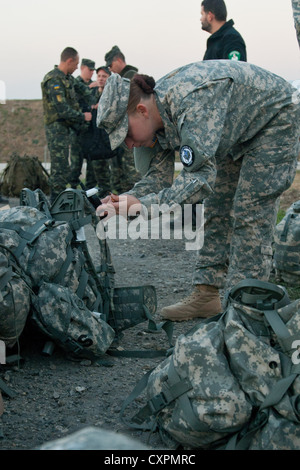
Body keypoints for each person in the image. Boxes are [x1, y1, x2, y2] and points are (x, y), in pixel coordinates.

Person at [96, 62, 300, 322]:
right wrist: (127, 200)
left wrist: (143, 207)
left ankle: (247, 311)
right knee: (217, 208)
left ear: (141, 110)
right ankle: (206, 295)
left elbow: (199, 179)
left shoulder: (192, 102)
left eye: (126, 133)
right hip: (235, 128)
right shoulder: (157, 119)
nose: (128, 144)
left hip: (275, 119)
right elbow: (158, 180)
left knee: (250, 213)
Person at [41, 47, 92, 202]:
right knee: (60, 168)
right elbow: (62, 109)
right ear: (69, 61)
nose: (77, 67)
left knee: (65, 167)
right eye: (76, 64)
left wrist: (97, 93)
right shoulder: (54, 79)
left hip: (66, 128)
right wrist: (82, 116)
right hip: (57, 129)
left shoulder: (67, 78)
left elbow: (84, 91)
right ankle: (56, 203)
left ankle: (61, 202)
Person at [104, 46, 141, 194]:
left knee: (133, 173)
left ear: (118, 60)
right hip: (123, 133)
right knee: (120, 174)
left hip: (132, 132)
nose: (110, 69)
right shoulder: (121, 79)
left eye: (110, 64)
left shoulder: (131, 77)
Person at [69, 58, 98, 190]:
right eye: (89, 70)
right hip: (78, 131)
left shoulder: (95, 86)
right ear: (82, 68)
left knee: (92, 166)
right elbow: (72, 98)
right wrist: (88, 88)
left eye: (93, 70)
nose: (91, 73)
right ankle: (73, 191)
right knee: (76, 165)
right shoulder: (74, 83)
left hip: (91, 132)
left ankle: (89, 194)